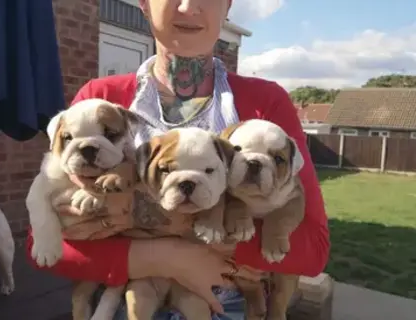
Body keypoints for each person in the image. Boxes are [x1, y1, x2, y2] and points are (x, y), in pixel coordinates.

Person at [26, 0, 330, 318]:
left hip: (230, 303)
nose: (189, 7)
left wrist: (155, 235)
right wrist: (168, 257)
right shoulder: (101, 101)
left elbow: (314, 251)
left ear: (228, 6)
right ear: (143, 4)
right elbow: (46, 247)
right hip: (127, 299)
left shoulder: (264, 104)